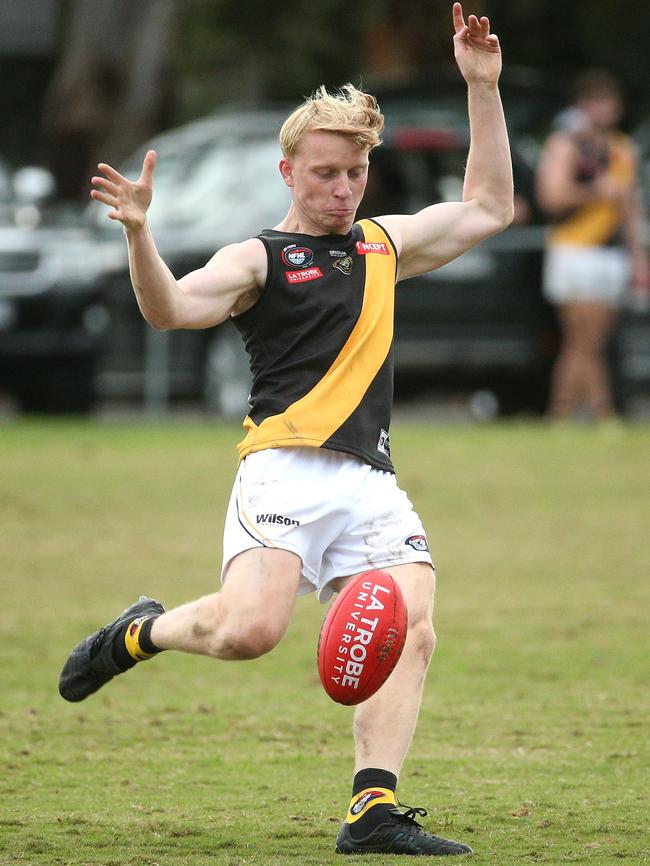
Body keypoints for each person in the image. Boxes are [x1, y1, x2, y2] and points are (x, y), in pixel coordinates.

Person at [59, 3, 513, 857]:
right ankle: (138, 632)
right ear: (288, 170)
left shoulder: (384, 246)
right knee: (248, 633)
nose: (342, 189)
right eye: (325, 173)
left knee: (413, 622)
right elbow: (172, 310)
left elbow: (489, 207)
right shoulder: (260, 257)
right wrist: (139, 233)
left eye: (355, 173)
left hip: (370, 481)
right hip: (283, 471)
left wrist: (481, 88)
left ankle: (371, 810)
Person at [536, 69, 650, 420]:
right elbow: (552, 197)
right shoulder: (567, 144)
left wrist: (638, 257)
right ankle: (600, 411)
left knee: (586, 343)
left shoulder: (621, 148)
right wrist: (593, 191)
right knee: (583, 342)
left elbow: (630, 208)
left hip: (609, 253)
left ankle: (565, 412)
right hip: (574, 249)